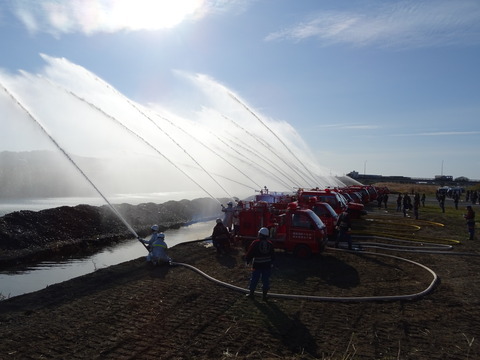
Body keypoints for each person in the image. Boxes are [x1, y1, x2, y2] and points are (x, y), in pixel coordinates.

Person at [245, 227, 275, 301]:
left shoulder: (255, 243)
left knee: (254, 279)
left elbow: (250, 253)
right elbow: (273, 255)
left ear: (260, 234)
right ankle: (264, 296)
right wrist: (272, 263)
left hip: (257, 265)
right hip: (267, 265)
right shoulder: (270, 244)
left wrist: (247, 261)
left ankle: (251, 294)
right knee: (266, 280)